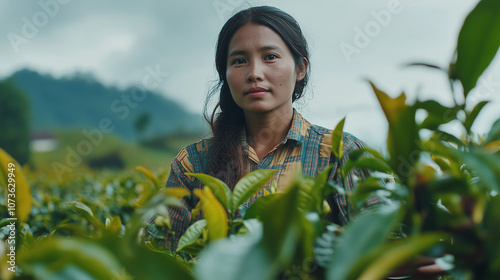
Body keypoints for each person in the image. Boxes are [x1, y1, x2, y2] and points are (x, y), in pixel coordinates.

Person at [146, 5, 443, 278]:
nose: (254, 73)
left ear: (301, 68)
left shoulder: (339, 152)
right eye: (239, 61)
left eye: (270, 57)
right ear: (225, 75)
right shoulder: (193, 163)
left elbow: (386, 248)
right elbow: (160, 255)